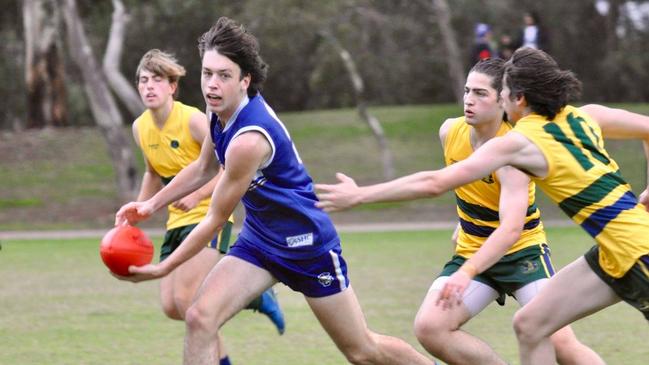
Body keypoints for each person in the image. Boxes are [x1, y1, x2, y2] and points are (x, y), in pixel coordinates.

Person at [115, 18, 437, 365]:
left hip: (306, 245)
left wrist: (165, 268)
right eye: (207, 73)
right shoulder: (215, 108)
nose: (212, 84)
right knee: (199, 318)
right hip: (260, 240)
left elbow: (214, 219)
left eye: (224, 75)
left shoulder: (248, 140)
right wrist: (150, 204)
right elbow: (203, 168)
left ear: (245, 80)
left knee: (362, 351)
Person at [315, 47, 649, 365]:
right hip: (612, 251)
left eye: (498, 93)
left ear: (518, 99)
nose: (490, 100)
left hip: (637, 254)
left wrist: (360, 196)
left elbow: (435, 183)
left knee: (552, 336)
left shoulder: (518, 143)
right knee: (530, 325)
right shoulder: (586, 116)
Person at [127, 49, 285, 365]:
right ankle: (253, 296)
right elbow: (152, 172)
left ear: (172, 86)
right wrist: (140, 209)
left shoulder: (194, 120)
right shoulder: (140, 128)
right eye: (143, 80)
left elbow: (224, 167)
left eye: (157, 80)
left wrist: (199, 195)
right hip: (176, 221)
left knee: (190, 303)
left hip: (209, 215)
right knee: (173, 307)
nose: (149, 87)